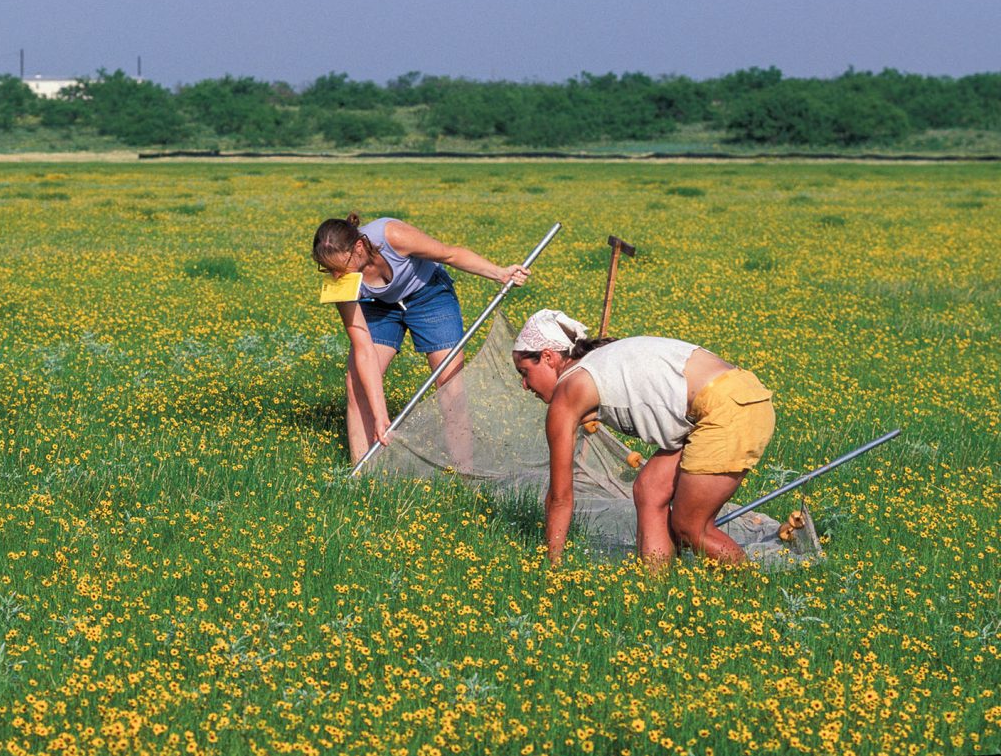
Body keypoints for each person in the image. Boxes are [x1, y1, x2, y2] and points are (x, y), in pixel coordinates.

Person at [511, 309, 775, 567]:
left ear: (548, 357)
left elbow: (560, 498)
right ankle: (655, 585)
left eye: (524, 372)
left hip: (727, 408)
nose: (524, 385)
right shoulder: (594, 362)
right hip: (737, 394)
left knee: (690, 527)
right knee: (650, 490)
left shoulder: (569, 391)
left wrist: (552, 565)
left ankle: (751, 585)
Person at [313, 214, 530, 463]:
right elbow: (364, 349)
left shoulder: (392, 235)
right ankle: (362, 470)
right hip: (379, 306)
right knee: (356, 384)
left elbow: (449, 254)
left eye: (340, 267)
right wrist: (381, 416)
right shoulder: (340, 282)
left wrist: (500, 273)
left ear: (359, 247)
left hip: (428, 294)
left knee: (449, 383)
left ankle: (464, 470)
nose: (336, 275)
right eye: (327, 268)